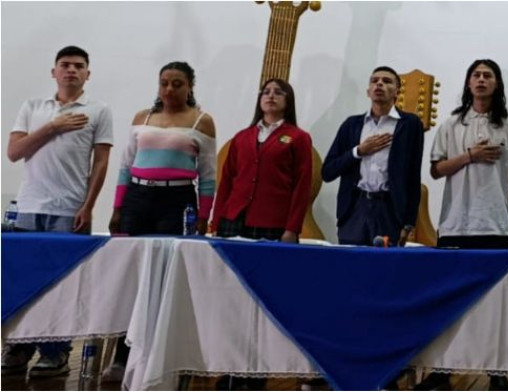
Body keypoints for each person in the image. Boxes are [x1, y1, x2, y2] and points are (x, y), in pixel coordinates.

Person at [1, 45, 113, 378]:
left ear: (87, 74)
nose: (71, 71)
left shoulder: (98, 109)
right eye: (65, 65)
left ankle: (56, 352)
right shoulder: (33, 107)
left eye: (79, 66)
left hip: (70, 209)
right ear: (54, 71)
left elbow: (102, 160)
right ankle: (19, 346)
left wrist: (89, 205)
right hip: (30, 206)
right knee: (24, 280)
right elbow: (15, 152)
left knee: (63, 283)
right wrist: (54, 126)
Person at [414, 59, 508, 391]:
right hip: (455, 224)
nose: (480, 80)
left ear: (496, 84)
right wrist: (470, 156)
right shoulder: (451, 124)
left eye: (487, 76)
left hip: (494, 225)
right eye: (475, 75)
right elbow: (436, 170)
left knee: (496, 303)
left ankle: (498, 372)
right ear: (467, 84)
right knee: (449, 301)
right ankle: (442, 371)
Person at [104, 61, 216, 382]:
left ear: (190, 86)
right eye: (164, 83)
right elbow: (126, 166)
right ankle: (122, 355)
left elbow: (208, 177)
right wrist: (117, 208)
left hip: (177, 203)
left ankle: (160, 356)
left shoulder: (202, 122)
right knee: (131, 276)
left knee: (167, 278)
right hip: (137, 201)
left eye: (177, 84)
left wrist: (203, 217)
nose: (169, 89)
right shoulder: (143, 118)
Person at [322, 66, 424, 247]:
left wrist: (408, 223)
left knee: (385, 270)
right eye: (374, 80)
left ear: (397, 91)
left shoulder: (409, 124)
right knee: (351, 268)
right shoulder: (352, 125)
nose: (379, 84)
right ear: (368, 91)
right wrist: (358, 151)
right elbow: (328, 171)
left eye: (387, 81)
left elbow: (413, 176)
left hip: (389, 211)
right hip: (355, 209)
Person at [212, 78, 313, 243]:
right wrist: (215, 222)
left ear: (289, 100)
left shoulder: (298, 138)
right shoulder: (241, 137)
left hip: (273, 221)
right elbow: (226, 182)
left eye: (278, 92)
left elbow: (302, 186)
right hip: (233, 218)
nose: (271, 96)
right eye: (266, 92)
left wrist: (292, 228)